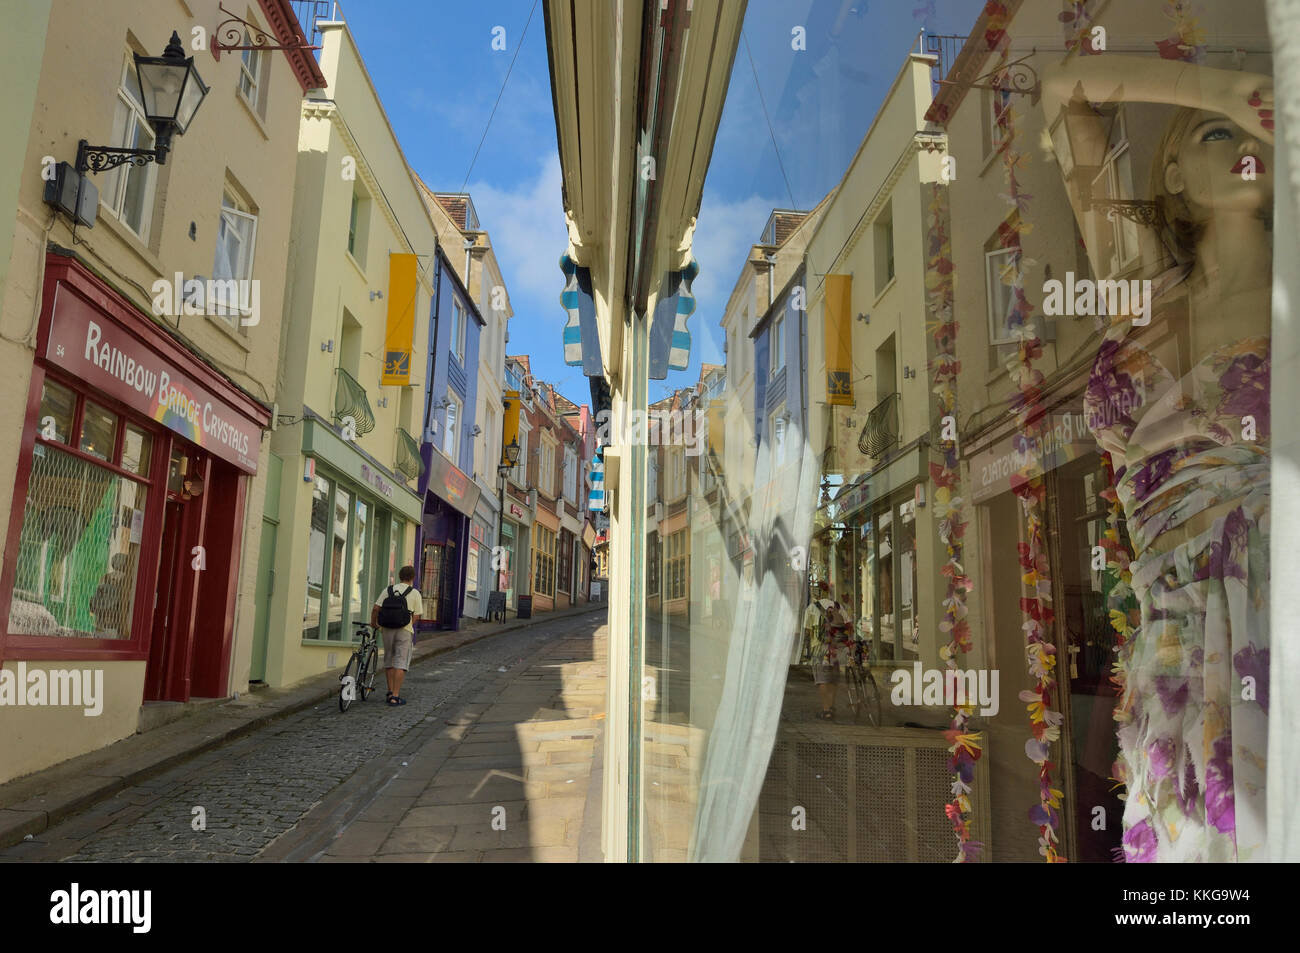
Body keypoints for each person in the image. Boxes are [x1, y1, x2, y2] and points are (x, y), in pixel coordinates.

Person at [1040, 58, 1273, 861]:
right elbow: (1062, 90)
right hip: (1170, 658)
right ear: (1169, 171)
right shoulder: (1139, 288)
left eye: (1262, 135)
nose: (1248, 147)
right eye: (1219, 134)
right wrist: (1219, 88)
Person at [371, 565, 423, 707]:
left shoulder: (388, 590)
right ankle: (395, 695)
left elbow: (376, 608)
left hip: (386, 629)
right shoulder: (415, 593)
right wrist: (408, 624)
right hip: (404, 630)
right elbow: (417, 615)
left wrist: (374, 623)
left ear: (400, 576)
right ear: (413, 578)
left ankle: (389, 691)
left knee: (389, 659)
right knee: (401, 662)